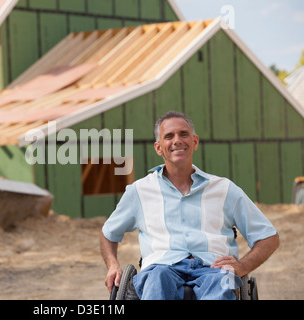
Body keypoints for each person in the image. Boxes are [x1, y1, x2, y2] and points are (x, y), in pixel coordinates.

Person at [100, 111, 280, 300]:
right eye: (169, 136)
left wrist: (243, 266)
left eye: (183, 134)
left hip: (214, 269)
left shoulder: (224, 189)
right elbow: (108, 234)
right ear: (158, 148)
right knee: (156, 280)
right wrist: (113, 265)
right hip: (160, 267)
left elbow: (269, 238)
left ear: (194, 142)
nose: (177, 140)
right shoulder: (139, 191)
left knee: (221, 285)